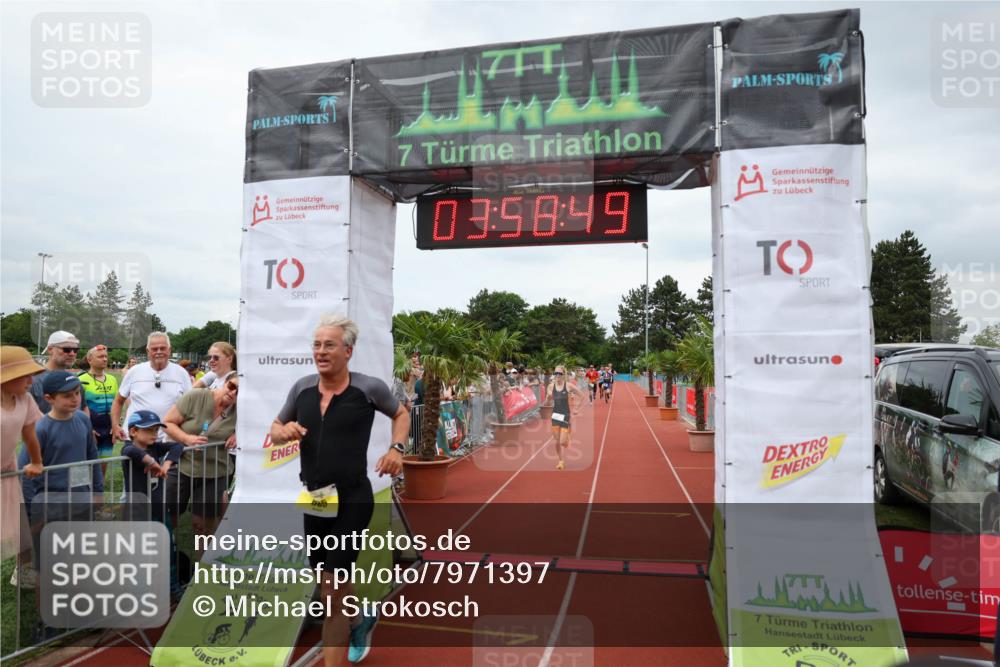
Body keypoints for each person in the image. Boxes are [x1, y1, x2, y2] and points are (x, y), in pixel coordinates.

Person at [270, 314, 410, 667]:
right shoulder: (301, 388)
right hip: (316, 500)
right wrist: (282, 431)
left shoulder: (368, 388)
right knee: (329, 584)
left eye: (328, 345)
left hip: (353, 498)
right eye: (316, 344)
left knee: (331, 590)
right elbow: (275, 426)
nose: (320, 351)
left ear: (348, 350)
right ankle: (361, 618)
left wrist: (396, 449)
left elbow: (402, 414)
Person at [163, 371, 239, 560]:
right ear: (225, 383)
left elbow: (263, 427)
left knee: (203, 527)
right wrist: (187, 439)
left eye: (240, 392)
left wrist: (240, 434)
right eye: (232, 386)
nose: (234, 393)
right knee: (168, 516)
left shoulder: (243, 411)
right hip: (182, 466)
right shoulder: (197, 396)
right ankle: (165, 563)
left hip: (215, 472)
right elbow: (168, 422)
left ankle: (200, 573)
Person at [1, 347, 46, 587]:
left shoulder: (25, 399)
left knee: (19, 528)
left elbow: (30, 434)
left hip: (7, 470)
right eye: (25, 375)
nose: (31, 380)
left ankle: (24, 572)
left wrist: (37, 462)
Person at [111, 332, 191, 444]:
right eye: (154, 349)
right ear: (148, 351)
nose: (159, 352)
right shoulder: (134, 371)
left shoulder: (181, 373)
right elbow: (118, 401)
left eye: (163, 348)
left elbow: (190, 406)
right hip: (136, 440)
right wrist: (115, 426)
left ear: (169, 350)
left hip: (168, 439)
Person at [122, 410, 183, 522]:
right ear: (133, 431)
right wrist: (152, 462)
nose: (154, 434)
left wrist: (166, 465)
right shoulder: (127, 450)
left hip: (159, 507)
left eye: (156, 430)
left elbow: (177, 446)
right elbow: (132, 451)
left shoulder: (155, 447)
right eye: (149, 430)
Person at [78, 344, 120, 478]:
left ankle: (97, 494)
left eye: (106, 356)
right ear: (90, 359)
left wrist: (116, 425)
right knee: (86, 468)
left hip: (108, 430)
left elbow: (117, 404)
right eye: (101, 356)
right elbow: (76, 408)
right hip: (90, 430)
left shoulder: (112, 380)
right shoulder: (80, 380)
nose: (105, 359)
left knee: (102, 467)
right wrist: (88, 429)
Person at [29, 330, 80, 413]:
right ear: (50, 350)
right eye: (66, 349)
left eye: (75, 350)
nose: (72, 354)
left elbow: (83, 407)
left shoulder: (73, 378)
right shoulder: (33, 380)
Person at [547, 365, 584, 470]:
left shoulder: (568, 386)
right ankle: (560, 461)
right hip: (555, 415)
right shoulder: (550, 386)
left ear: (563, 375)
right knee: (557, 441)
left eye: (559, 373)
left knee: (563, 442)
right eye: (556, 373)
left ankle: (567, 433)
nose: (557, 375)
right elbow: (548, 401)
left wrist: (576, 409)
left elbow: (582, 395)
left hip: (565, 415)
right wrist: (548, 398)